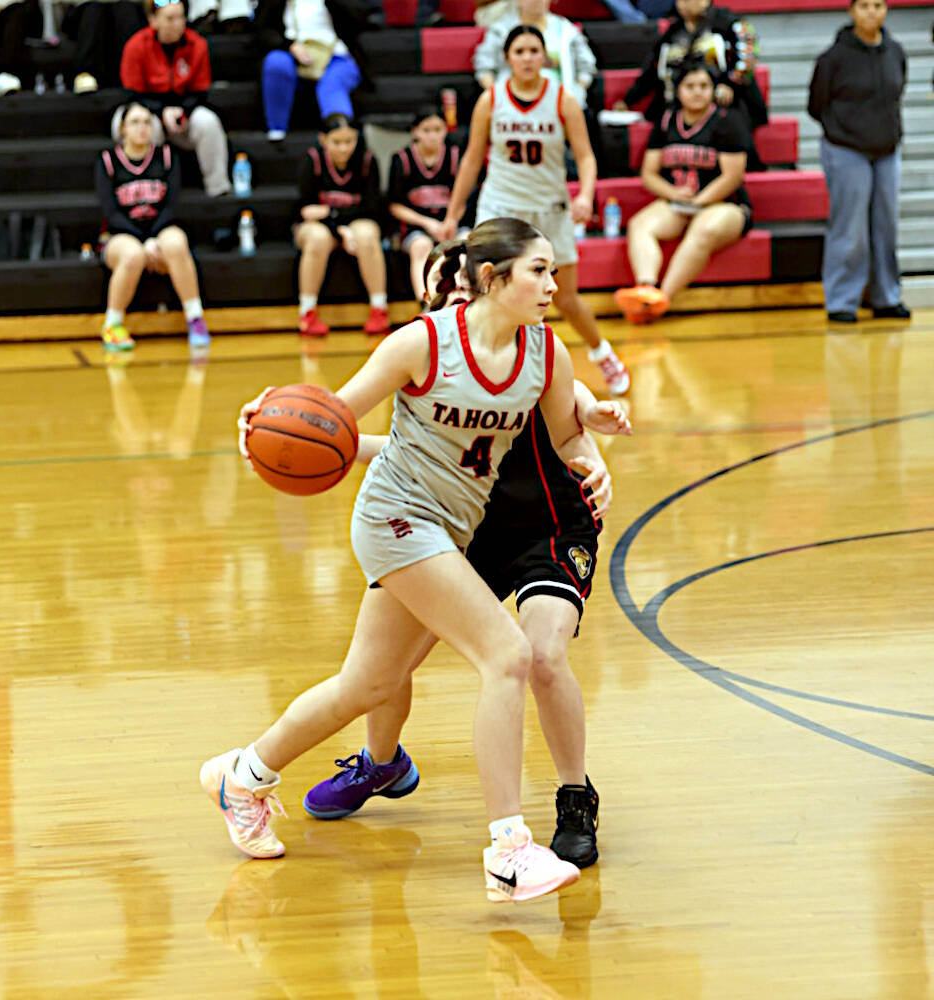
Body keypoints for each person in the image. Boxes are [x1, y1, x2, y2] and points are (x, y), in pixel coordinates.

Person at [202, 217, 610, 902]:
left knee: (367, 684)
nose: (552, 283)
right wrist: (267, 415)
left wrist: (593, 460)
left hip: (455, 525)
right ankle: (509, 849)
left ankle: (244, 774)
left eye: (551, 270)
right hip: (396, 519)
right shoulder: (422, 343)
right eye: (537, 271)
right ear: (492, 278)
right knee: (507, 656)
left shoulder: (546, 355)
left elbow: (568, 437)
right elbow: (332, 415)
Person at [301, 237, 633, 871]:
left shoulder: (527, 349)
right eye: (435, 296)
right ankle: (381, 763)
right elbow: (399, 444)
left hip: (548, 524)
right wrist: (324, 446)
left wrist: (595, 456)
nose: (448, 304)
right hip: (459, 527)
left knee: (540, 656)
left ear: (484, 287)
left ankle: (574, 796)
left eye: (457, 292)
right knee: (383, 665)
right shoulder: (429, 353)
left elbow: (578, 410)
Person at [444, 25, 631, 397]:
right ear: (507, 58)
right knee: (486, 291)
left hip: (550, 208)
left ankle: (602, 352)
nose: (527, 58)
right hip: (501, 207)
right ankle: (478, 368)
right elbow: (470, 160)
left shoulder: (563, 99)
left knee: (565, 299)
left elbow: (586, 156)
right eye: (520, 51)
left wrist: (586, 195)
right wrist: (453, 214)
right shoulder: (491, 99)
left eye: (534, 51)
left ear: (544, 57)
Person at [613, 61, 751, 324]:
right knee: (639, 225)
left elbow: (733, 176)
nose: (697, 92)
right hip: (680, 200)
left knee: (704, 229)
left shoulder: (728, 120)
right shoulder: (666, 121)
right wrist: (674, 194)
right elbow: (649, 174)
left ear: (713, 90)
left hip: (724, 204)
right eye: (690, 86)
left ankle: (660, 300)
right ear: (678, 91)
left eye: (704, 86)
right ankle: (646, 288)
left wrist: (700, 200)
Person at [808, 0, 910, 324]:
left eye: (878, 5)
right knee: (849, 227)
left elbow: (898, 92)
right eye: (864, 5)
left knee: (886, 225)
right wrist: (843, 128)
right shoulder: (833, 57)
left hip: (887, 149)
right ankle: (842, 300)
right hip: (845, 148)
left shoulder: (895, 51)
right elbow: (816, 104)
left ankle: (886, 297)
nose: (871, 12)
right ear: (851, 11)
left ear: (886, 10)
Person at [95, 101, 211, 352]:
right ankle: (112, 325)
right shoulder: (108, 161)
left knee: (177, 243)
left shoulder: (167, 157)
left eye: (147, 122)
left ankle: (195, 318)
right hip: (121, 234)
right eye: (135, 122)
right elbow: (111, 212)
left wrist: (154, 237)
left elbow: (171, 205)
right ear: (122, 129)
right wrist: (143, 240)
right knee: (132, 254)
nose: (142, 128)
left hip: (160, 228)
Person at [115, 0, 232, 198]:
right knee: (137, 124)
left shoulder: (197, 44)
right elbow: (131, 93)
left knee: (208, 122)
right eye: (170, 18)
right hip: (148, 109)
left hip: (184, 112)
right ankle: (146, 193)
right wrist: (161, 111)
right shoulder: (136, 45)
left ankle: (218, 188)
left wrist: (181, 111)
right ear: (153, 20)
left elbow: (200, 90)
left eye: (181, 17)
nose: (177, 24)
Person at [613, 0, 766, 150]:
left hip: (725, 101)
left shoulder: (730, 22)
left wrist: (730, 84)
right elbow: (652, 71)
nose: (685, 4)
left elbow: (748, 55)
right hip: (679, 105)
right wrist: (628, 100)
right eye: (681, 0)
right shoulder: (672, 32)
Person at [294, 113, 390, 338]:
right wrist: (338, 227)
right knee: (317, 238)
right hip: (321, 227)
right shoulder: (312, 161)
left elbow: (372, 207)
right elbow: (306, 210)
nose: (344, 148)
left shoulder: (367, 160)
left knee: (366, 235)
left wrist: (332, 213)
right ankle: (307, 312)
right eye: (337, 142)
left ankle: (379, 308)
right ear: (323, 139)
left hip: (351, 222)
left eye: (350, 141)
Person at [254, 0, 371, 143]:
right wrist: (289, 45)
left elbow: (357, 22)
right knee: (276, 63)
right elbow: (264, 31)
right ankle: (276, 129)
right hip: (292, 56)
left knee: (333, 83)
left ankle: (340, 135)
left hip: (336, 57)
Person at [387, 108, 461, 303]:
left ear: (446, 131)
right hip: (417, 225)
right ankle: (427, 302)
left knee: (465, 243)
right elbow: (394, 206)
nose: (432, 136)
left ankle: (465, 301)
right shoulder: (402, 159)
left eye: (438, 129)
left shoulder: (456, 155)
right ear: (415, 132)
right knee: (421, 246)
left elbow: (465, 197)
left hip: (451, 221)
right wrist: (428, 223)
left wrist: (450, 221)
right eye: (426, 130)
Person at [473, 0, 597, 111]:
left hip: (562, 107)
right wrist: (498, 98)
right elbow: (484, 68)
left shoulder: (567, 30)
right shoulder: (500, 30)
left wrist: (577, 93)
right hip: (510, 107)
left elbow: (587, 66)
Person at [62, 0, 146, 93]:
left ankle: (132, 71)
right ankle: (85, 73)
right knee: (94, 10)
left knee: (125, 9)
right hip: (84, 11)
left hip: (127, 9)